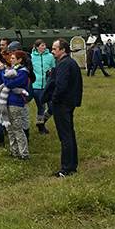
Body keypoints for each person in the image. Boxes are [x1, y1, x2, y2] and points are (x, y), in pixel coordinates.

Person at [49, 38, 83, 177]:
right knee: (69, 133)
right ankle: (72, 165)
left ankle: (66, 168)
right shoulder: (71, 62)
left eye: (54, 49)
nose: (52, 51)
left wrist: (54, 100)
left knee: (65, 136)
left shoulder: (64, 64)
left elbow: (61, 85)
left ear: (63, 50)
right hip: (69, 102)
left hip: (62, 104)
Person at [0, 50, 30, 159]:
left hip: (16, 103)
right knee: (9, 129)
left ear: (20, 60)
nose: (10, 60)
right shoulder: (11, 71)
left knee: (17, 128)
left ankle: (24, 153)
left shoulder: (23, 72)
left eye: (13, 58)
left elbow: (9, 84)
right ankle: (14, 151)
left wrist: (3, 73)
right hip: (7, 101)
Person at [30, 39, 56, 134]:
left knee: (52, 107)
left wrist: (51, 73)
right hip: (36, 86)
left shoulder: (50, 57)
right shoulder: (31, 57)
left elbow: (54, 68)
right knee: (41, 108)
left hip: (48, 85)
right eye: (41, 45)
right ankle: (41, 127)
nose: (44, 47)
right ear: (37, 47)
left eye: (44, 45)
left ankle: (41, 121)